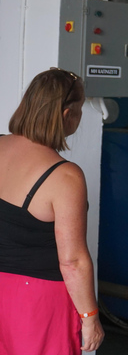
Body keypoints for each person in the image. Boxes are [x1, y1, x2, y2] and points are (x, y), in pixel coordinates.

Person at [0, 68, 105, 354]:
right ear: (65, 115)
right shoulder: (64, 176)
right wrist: (90, 317)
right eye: (80, 109)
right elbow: (72, 261)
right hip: (36, 303)